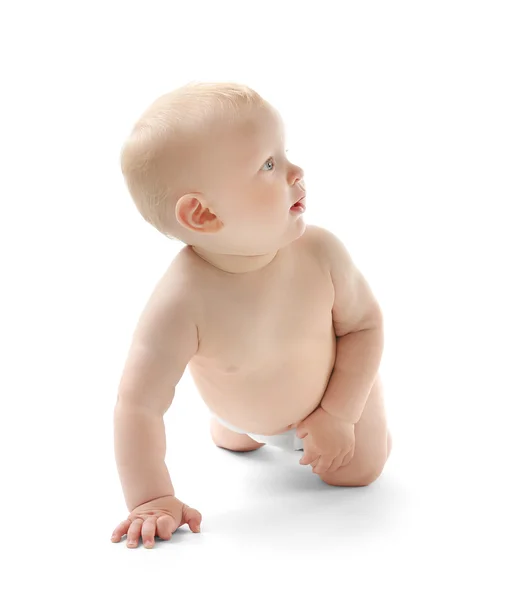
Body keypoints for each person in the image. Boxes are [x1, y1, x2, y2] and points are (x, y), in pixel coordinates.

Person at [111, 81, 392, 549]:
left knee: (360, 472)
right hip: (241, 416)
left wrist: (339, 413)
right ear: (203, 214)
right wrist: (151, 498)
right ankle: (239, 426)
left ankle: (359, 421)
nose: (296, 171)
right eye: (268, 164)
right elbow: (138, 405)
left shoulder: (320, 252)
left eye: (284, 153)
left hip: (332, 399)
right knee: (236, 439)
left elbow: (365, 326)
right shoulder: (181, 300)